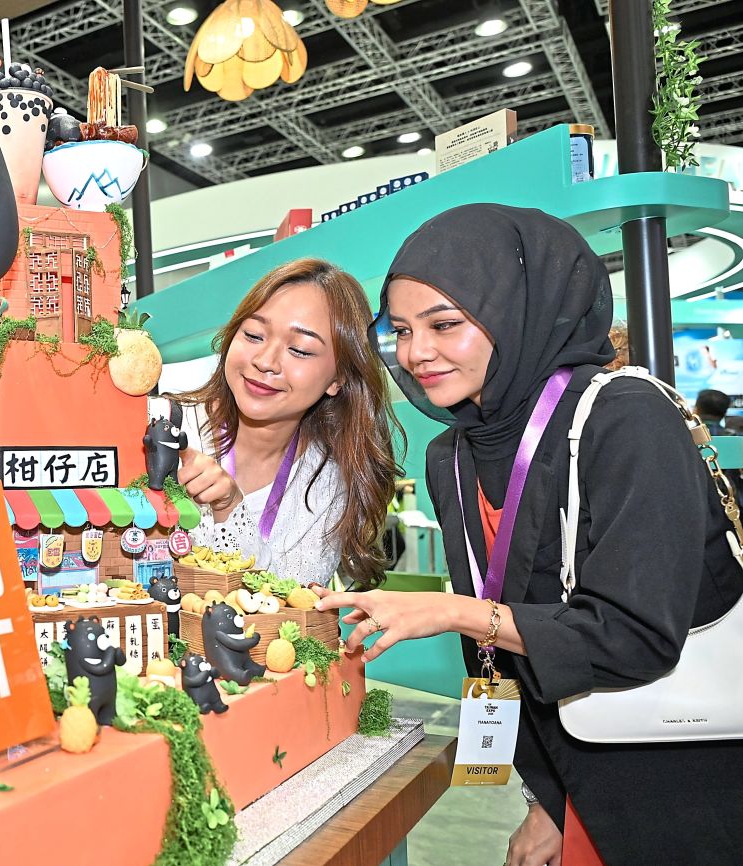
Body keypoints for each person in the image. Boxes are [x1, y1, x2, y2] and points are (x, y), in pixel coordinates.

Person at [315, 204, 743, 865]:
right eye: (400, 330)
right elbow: (517, 644)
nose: (416, 352)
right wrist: (550, 800)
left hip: (683, 783)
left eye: (445, 324)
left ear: (519, 309)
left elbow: (635, 635)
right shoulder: (452, 456)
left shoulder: (626, 418)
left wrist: (454, 612)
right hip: (571, 775)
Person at [169, 257, 402, 589]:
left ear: (338, 379)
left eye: (301, 350)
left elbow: (290, 610)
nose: (265, 361)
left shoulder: (328, 483)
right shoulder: (166, 429)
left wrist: (230, 508)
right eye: (253, 334)